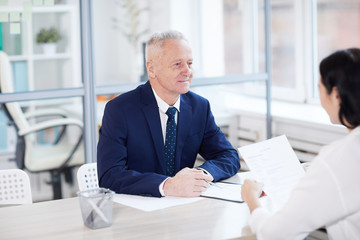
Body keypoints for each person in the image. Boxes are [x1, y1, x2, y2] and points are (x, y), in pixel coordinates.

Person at [97, 30, 240, 198]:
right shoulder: (119, 110)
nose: (187, 71)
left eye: (190, 63)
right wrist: (166, 186)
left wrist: (202, 174)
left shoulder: (199, 107)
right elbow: (109, 176)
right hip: (139, 206)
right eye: (177, 64)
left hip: (183, 206)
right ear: (152, 69)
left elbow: (228, 156)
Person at [241, 48, 360, 239]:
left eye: (319, 87)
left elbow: (275, 234)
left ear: (336, 95)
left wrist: (252, 198)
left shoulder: (340, 157)